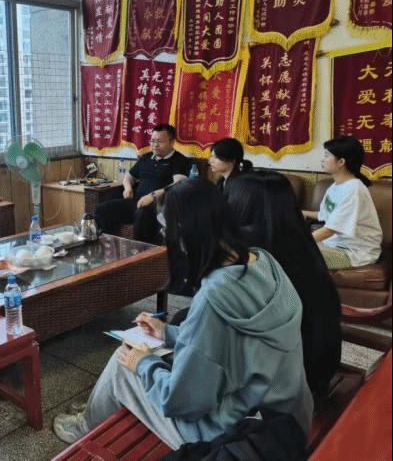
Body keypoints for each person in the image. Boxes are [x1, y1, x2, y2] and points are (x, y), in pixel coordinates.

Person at [54, 179, 313, 451]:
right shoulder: (265, 264)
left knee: (124, 361)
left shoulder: (214, 296)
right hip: (287, 413)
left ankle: (86, 426)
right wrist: (167, 332)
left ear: (185, 235)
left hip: (237, 433)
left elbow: (182, 401)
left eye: (166, 230)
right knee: (154, 356)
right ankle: (98, 406)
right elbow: (233, 346)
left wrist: (143, 364)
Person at [226, 171, 341, 396]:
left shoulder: (245, 246)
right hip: (320, 366)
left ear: (239, 203)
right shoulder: (300, 235)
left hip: (283, 379)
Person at [94, 124, 191, 244]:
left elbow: (178, 185)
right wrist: (128, 188)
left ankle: (142, 252)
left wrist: (153, 196)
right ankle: (108, 245)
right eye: (153, 141)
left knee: (142, 214)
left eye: (160, 141)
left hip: (159, 206)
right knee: (102, 209)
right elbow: (129, 176)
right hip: (137, 201)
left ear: (172, 142)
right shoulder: (146, 158)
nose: (155, 145)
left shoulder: (180, 160)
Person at [305, 136, 382, 269]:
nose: (322, 160)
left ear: (341, 162)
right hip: (333, 244)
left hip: (353, 252)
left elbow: (329, 230)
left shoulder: (354, 190)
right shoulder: (336, 186)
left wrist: (299, 241)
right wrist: (299, 212)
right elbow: (325, 215)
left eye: (327, 156)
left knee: (293, 252)